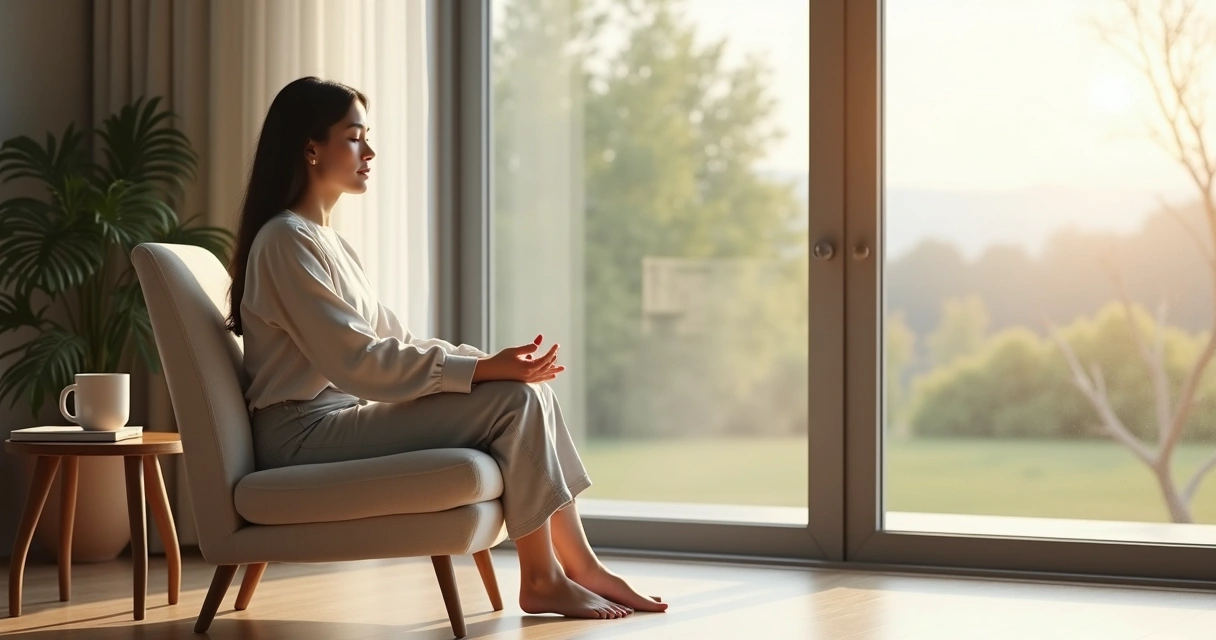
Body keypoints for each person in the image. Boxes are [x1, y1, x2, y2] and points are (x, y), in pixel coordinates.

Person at [223, 77, 666, 620]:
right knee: (514, 400)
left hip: (335, 418)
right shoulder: (285, 241)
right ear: (310, 147)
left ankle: (582, 566)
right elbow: (359, 362)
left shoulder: (325, 241)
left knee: (526, 393)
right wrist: (481, 372)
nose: (371, 152)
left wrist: (490, 364)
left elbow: (395, 341)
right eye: (355, 137)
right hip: (300, 434)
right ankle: (543, 578)